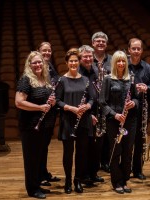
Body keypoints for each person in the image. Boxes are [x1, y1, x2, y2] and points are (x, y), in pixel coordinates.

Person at [15, 51, 56, 199]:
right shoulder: (26, 80)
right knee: (31, 159)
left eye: (40, 62)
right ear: (29, 65)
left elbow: (47, 100)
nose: (38, 65)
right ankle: (32, 189)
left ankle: (37, 184)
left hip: (44, 126)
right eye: (35, 63)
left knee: (39, 158)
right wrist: (39, 108)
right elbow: (19, 102)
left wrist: (52, 102)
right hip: (30, 126)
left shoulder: (45, 79)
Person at [55, 48, 94, 194]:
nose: (73, 63)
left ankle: (77, 180)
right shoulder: (61, 80)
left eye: (76, 61)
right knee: (68, 153)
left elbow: (92, 98)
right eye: (70, 61)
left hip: (83, 120)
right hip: (68, 120)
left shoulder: (85, 80)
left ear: (79, 62)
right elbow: (57, 101)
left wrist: (88, 106)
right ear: (66, 63)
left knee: (81, 153)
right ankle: (67, 180)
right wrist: (71, 108)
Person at [99, 50, 138, 194]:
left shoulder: (131, 78)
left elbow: (137, 98)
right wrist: (115, 115)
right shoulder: (108, 79)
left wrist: (133, 103)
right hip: (114, 121)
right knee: (116, 151)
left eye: (123, 61)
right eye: (118, 61)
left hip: (130, 121)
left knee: (128, 152)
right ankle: (116, 182)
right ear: (114, 63)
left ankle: (125, 179)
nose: (121, 64)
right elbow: (102, 102)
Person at [128, 38, 150, 180]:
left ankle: (138, 170)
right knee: (126, 141)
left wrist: (147, 88)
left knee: (140, 141)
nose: (136, 51)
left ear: (142, 50)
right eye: (133, 48)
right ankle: (125, 169)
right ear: (129, 50)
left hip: (142, 110)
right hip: (126, 110)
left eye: (138, 48)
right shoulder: (122, 65)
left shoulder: (147, 68)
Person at [78, 45, 104, 184]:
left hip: (99, 113)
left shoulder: (96, 70)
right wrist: (89, 114)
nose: (88, 59)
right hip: (86, 115)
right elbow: (79, 97)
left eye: (90, 56)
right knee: (84, 147)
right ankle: (83, 175)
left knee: (96, 146)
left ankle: (93, 173)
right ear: (80, 58)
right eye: (85, 57)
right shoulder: (77, 72)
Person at [37, 41, 61, 186]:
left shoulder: (50, 66)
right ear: (38, 51)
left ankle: (43, 172)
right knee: (39, 146)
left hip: (49, 112)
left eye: (49, 51)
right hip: (40, 111)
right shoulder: (37, 67)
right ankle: (39, 176)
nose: (47, 53)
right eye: (44, 50)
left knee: (44, 145)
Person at [91, 31, 112, 173]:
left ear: (106, 44)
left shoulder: (112, 59)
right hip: (92, 103)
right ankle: (93, 163)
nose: (100, 43)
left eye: (103, 41)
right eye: (97, 41)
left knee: (107, 134)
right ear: (93, 43)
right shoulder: (87, 58)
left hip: (108, 102)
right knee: (93, 135)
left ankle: (105, 162)